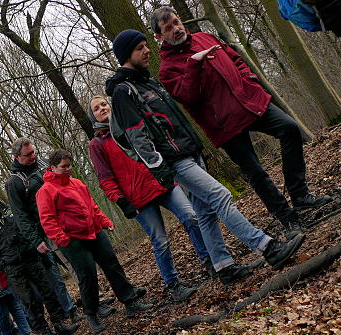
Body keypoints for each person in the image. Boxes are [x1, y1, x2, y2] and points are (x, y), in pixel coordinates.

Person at [106, 30, 305, 285]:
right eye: (139, 48)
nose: (147, 51)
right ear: (126, 55)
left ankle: (223, 266)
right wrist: (160, 169)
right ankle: (268, 248)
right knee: (220, 195)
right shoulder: (124, 91)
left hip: (189, 152)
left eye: (146, 45)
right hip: (175, 161)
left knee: (205, 212)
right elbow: (137, 137)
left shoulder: (148, 82)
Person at [153, 6, 330, 238]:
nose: (176, 29)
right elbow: (187, 96)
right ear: (159, 36)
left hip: (251, 102)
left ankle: (300, 195)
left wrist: (249, 80)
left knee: (290, 129)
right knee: (256, 173)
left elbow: (235, 59)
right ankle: (287, 218)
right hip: (224, 125)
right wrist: (194, 64)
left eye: (177, 22)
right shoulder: (167, 69)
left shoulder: (205, 38)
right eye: (169, 28)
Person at [88, 95, 205, 300]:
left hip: (162, 182)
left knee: (191, 217)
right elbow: (105, 179)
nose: (102, 109)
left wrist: (167, 170)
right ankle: (173, 285)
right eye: (97, 108)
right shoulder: (97, 144)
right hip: (138, 199)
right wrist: (121, 201)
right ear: (93, 116)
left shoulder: (129, 122)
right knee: (160, 240)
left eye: (104, 104)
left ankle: (210, 261)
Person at [36, 149, 154, 332]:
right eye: (63, 167)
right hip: (72, 240)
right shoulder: (45, 191)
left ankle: (130, 301)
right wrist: (63, 239)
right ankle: (91, 314)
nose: (67, 169)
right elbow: (47, 220)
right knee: (87, 275)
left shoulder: (77, 183)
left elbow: (91, 205)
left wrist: (105, 221)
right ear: (52, 167)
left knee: (112, 264)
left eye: (69, 165)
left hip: (94, 231)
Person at [0, 188, 80, 335]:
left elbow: (29, 226)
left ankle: (60, 324)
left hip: (32, 258)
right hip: (13, 268)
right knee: (29, 301)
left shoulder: (11, 209)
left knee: (48, 292)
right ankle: (46, 333)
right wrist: (2, 265)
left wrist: (35, 245)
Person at [6, 137, 83, 320]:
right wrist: (35, 240)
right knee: (55, 276)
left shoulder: (44, 165)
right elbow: (20, 216)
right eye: (28, 154)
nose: (33, 156)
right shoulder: (14, 182)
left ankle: (90, 299)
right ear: (17, 156)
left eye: (33, 152)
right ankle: (70, 309)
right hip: (43, 234)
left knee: (78, 264)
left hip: (66, 222)